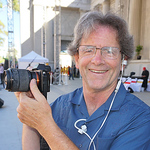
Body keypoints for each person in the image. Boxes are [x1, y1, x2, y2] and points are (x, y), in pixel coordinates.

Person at [15, 11, 150, 150]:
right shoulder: (60, 106)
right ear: (77, 59)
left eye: (109, 51)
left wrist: (45, 125)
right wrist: (30, 114)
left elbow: (45, 126)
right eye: (88, 50)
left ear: (123, 60)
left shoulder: (141, 119)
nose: (97, 60)